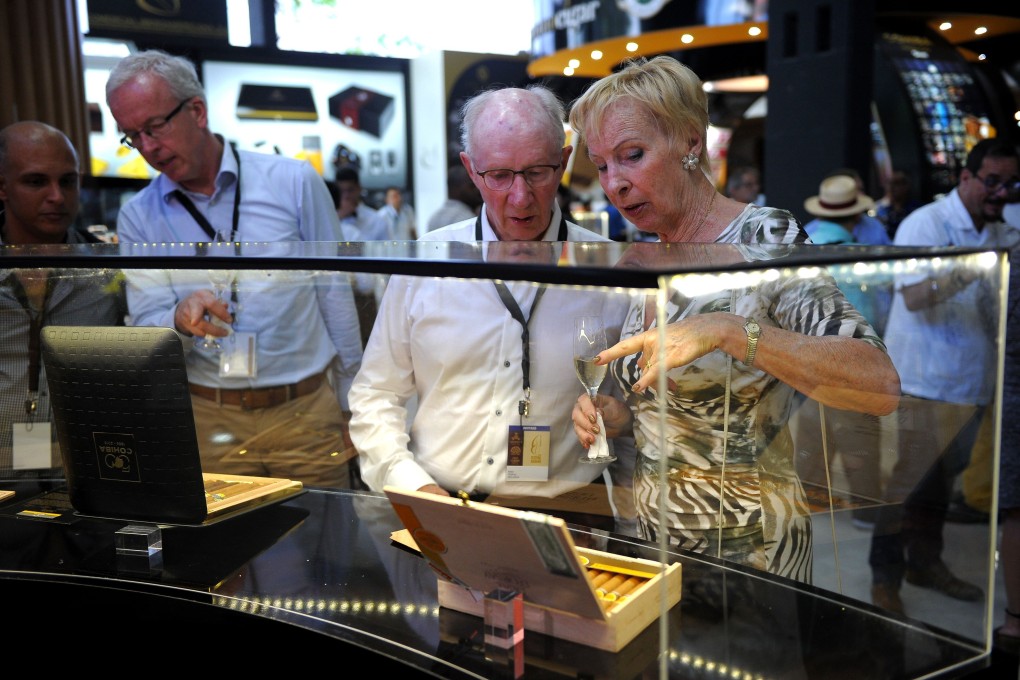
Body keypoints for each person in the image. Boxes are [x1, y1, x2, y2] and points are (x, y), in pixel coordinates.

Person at [567, 55, 900, 581]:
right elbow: (677, 412)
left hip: (750, 549)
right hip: (653, 542)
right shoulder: (649, 253)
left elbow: (878, 383)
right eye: (602, 164)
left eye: (632, 156)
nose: (614, 183)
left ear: (691, 142)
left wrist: (728, 330)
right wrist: (617, 415)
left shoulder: (763, 238)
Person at [348, 85, 631, 531]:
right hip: (440, 510)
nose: (520, 197)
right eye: (499, 175)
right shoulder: (427, 260)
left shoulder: (612, 270)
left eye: (537, 172)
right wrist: (412, 486)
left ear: (564, 160)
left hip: (569, 519)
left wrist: (621, 418)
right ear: (471, 170)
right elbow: (376, 394)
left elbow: (637, 414)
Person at [105, 49, 363, 489]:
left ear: (197, 111)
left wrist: (351, 405)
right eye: (131, 136)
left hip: (305, 412)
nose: (147, 148)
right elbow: (147, 323)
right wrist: (178, 319)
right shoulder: (138, 217)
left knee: (323, 547)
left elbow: (334, 294)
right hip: (209, 418)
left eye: (153, 128)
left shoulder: (294, 182)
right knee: (225, 553)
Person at [869, 138, 1020, 614]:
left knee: (938, 491)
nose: (1000, 193)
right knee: (903, 488)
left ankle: (925, 563)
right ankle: (884, 581)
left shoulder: (1002, 230)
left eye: (1010, 184)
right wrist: (972, 268)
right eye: (991, 182)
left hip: (971, 383)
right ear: (966, 179)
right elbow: (913, 296)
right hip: (920, 381)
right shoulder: (925, 223)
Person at [0, 121, 125, 474]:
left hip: (82, 465)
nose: (57, 196)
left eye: (68, 181)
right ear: (3, 187)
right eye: (36, 181)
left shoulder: (105, 270)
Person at [335, 164, 390, 346]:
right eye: (341, 191)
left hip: (367, 297)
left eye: (350, 190)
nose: (346, 195)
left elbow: (386, 262)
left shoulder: (376, 221)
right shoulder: (330, 220)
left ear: (359, 189)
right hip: (337, 296)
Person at [425, 164, 482, 233]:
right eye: (472, 186)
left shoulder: (434, 217)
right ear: (455, 189)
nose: (478, 189)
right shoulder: (466, 219)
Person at [875, 169, 921, 239]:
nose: (891, 188)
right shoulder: (881, 210)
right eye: (889, 183)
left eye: (896, 183)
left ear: (906, 186)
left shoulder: (917, 211)